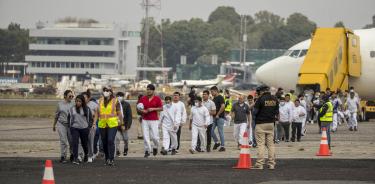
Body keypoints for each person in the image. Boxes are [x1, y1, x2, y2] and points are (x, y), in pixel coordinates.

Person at [253, 85, 279, 170]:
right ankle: (271, 164)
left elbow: (254, 112)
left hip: (261, 124)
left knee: (261, 145)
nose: (258, 93)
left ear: (262, 91)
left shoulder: (260, 99)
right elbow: (277, 112)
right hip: (271, 124)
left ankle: (259, 164)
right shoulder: (275, 99)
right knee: (270, 145)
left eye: (259, 91)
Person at [97, 87, 123, 166]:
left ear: (111, 92)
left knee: (110, 140)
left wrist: (121, 122)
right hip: (102, 123)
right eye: (104, 91)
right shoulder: (100, 100)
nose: (105, 92)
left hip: (112, 124)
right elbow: (98, 112)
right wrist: (94, 122)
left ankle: (111, 159)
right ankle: (107, 158)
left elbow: (119, 112)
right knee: (104, 142)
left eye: (107, 91)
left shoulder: (115, 101)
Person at [138, 84, 163, 158]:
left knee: (155, 137)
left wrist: (153, 109)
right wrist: (143, 111)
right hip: (145, 119)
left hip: (154, 120)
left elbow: (161, 108)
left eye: (150, 89)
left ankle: (155, 146)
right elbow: (139, 107)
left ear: (153, 90)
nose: (148, 91)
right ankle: (147, 150)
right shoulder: (143, 98)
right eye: (147, 89)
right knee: (146, 136)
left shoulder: (157, 99)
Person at [68, 95, 93, 165]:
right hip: (74, 128)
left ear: (82, 102)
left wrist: (89, 127)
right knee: (75, 142)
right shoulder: (72, 109)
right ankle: (76, 158)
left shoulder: (87, 109)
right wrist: (70, 126)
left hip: (84, 128)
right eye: (76, 101)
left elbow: (90, 119)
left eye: (79, 101)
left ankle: (86, 154)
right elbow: (69, 118)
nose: (77, 103)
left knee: (84, 143)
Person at [53, 89, 74, 163]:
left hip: (70, 125)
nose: (71, 97)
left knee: (71, 141)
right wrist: (54, 125)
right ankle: (63, 156)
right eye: (70, 96)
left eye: (72, 96)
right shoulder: (60, 104)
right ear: (65, 96)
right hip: (61, 124)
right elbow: (56, 115)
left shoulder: (73, 104)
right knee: (63, 141)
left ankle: (72, 154)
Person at [82, 90, 98, 163]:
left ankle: (90, 156)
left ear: (88, 98)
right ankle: (82, 155)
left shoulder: (93, 104)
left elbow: (97, 114)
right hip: (81, 126)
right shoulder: (79, 104)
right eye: (83, 97)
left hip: (91, 126)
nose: (84, 99)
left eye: (85, 97)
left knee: (90, 141)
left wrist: (94, 124)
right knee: (81, 141)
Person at [115, 92, 132, 157]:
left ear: (123, 97)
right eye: (118, 96)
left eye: (121, 96)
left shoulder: (127, 104)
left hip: (124, 125)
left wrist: (127, 126)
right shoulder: (114, 104)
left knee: (125, 138)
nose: (119, 97)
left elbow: (129, 116)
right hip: (116, 125)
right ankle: (117, 151)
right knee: (117, 138)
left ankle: (126, 148)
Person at [210, 86, 226, 152]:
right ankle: (217, 142)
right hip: (214, 118)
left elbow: (223, 107)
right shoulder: (214, 99)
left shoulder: (220, 97)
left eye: (212, 92)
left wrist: (218, 114)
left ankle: (223, 146)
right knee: (210, 130)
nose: (211, 93)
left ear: (216, 91)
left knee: (220, 131)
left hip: (220, 117)